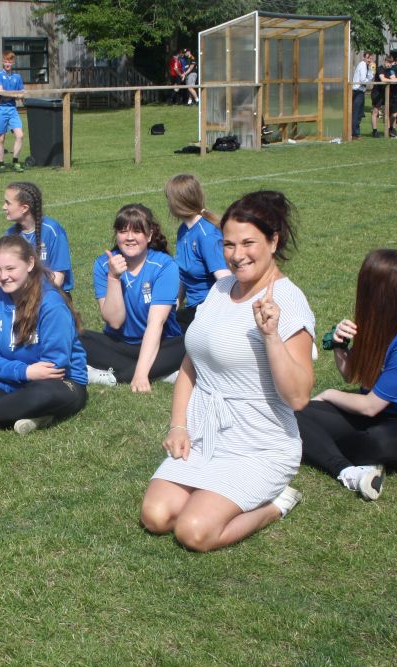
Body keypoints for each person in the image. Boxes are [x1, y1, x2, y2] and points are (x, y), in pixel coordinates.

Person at [139, 190, 314, 552]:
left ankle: (278, 503)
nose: (236, 255)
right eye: (229, 244)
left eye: (248, 243)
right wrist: (178, 425)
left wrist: (271, 336)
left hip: (259, 445)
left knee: (193, 532)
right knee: (155, 516)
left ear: (273, 241)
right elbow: (191, 362)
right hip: (205, 435)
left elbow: (298, 397)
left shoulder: (289, 301)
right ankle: (213, 494)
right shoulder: (220, 289)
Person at [296, 249, 397, 500]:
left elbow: (370, 406)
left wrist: (329, 394)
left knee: (375, 443)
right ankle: (348, 470)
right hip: (377, 413)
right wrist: (339, 345)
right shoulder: (379, 320)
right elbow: (352, 376)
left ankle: (336, 454)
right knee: (294, 412)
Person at [0, 235, 88, 434]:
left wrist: (3, 382)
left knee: (43, 394)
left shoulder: (50, 304)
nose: (3, 276)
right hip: (14, 378)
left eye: (10, 268)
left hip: (61, 384)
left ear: (30, 264)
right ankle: (26, 410)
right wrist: (23, 373)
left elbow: (53, 369)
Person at [81, 204, 184, 392]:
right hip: (120, 344)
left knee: (189, 344)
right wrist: (113, 277)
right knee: (78, 338)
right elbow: (115, 322)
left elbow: (156, 323)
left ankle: (114, 376)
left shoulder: (165, 265)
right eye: (123, 231)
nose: (129, 237)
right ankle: (162, 371)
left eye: (137, 231)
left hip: (162, 343)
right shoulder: (104, 264)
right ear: (116, 235)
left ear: (149, 235)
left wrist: (141, 375)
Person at [165, 174, 230, 330]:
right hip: (194, 310)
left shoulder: (207, 235)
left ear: (177, 203)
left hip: (210, 312)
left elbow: (226, 281)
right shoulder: (183, 230)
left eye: (169, 199)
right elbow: (184, 277)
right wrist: (173, 308)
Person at [3, 181, 73, 293]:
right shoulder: (10, 235)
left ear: (24, 208)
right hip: (21, 295)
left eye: (8, 203)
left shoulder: (52, 231)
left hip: (53, 295)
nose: (4, 207)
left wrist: (33, 297)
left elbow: (58, 278)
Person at [0, 51, 26, 172]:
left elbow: (22, 93)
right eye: (6, 61)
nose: (8, 64)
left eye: (10, 61)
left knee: (20, 135)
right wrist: (15, 95)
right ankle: (1, 163)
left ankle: (15, 162)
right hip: (1, 108)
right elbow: (1, 92)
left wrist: (17, 95)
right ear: (3, 62)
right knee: (1, 138)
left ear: (13, 62)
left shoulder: (17, 77)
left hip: (12, 108)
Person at [351, 52, 373, 140]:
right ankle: (354, 134)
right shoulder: (363, 64)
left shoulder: (365, 65)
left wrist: (371, 70)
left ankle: (355, 133)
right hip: (357, 91)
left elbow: (368, 78)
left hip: (360, 91)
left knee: (359, 114)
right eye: (368, 58)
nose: (369, 60)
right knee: (357, 114)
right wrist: (369, 79)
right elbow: (363, 80)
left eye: (370, 58)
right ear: (364, 57)